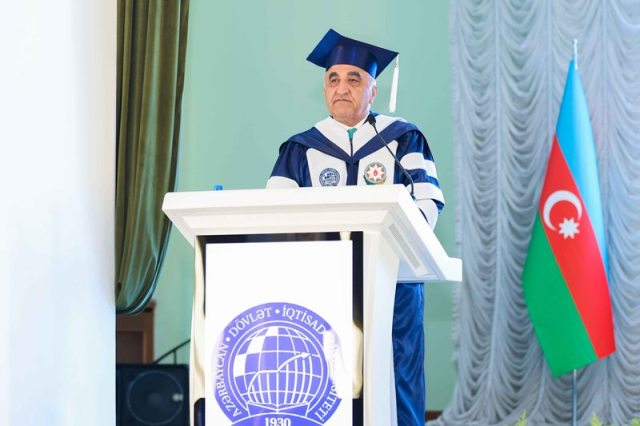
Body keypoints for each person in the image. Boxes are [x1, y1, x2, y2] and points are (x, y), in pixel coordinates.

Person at [266, 29, 445, 426]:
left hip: (393, 285)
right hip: (320, 284)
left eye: (354, 79)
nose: (342, 88)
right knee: (323, 375)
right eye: (333, 79)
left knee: (398, 376)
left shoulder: (403, 139)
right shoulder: (301, 148)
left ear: (372, 91)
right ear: (324, 89)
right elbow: (275, 214)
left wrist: (393, 250)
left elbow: (427, 204)